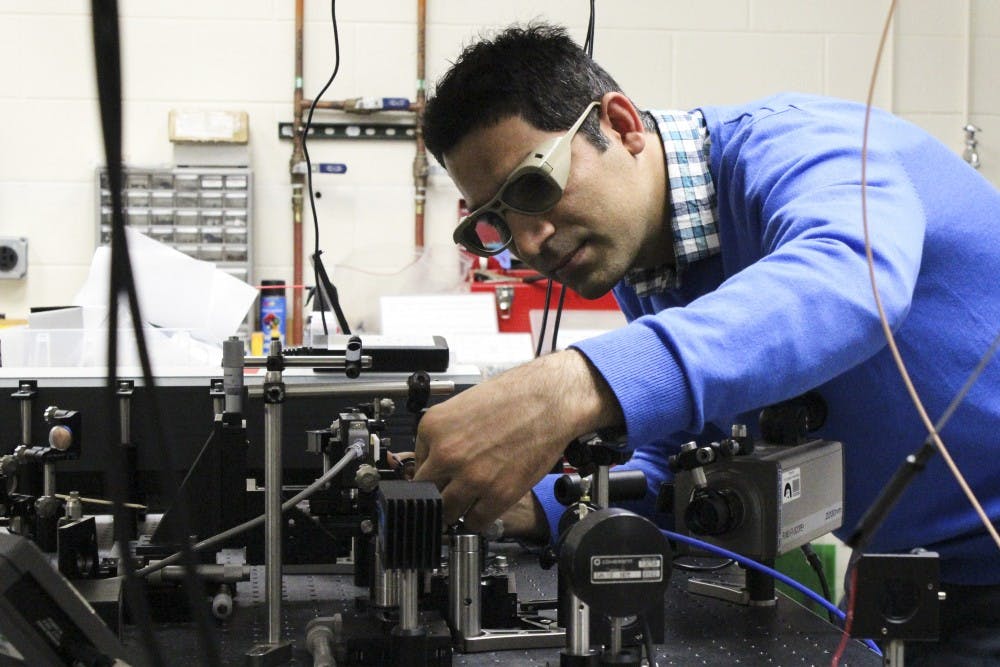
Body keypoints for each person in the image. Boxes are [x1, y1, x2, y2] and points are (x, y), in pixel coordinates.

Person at [414, 23, 1000, 662]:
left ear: (621, 124)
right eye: (494, 223)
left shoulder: (802, 146)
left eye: (533, 186)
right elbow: (687, 462)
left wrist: (576, 380)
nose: (528, 243)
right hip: (913, 579)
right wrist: (530, 505)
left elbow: (851, 283)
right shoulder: (648, 258)